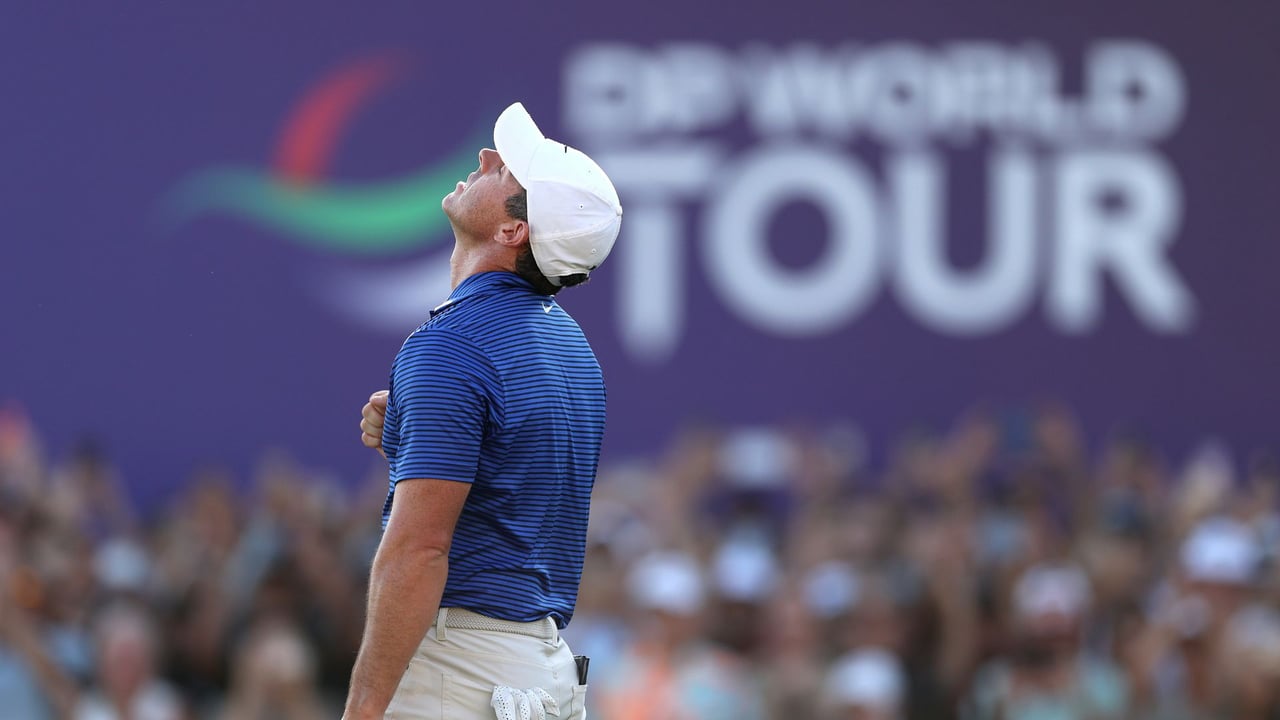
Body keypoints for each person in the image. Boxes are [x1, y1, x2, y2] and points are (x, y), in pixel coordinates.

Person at [343, 102, 622, 720]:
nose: (485, 158)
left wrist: (363, 709)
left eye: (506, 170)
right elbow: (510, 477)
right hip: (539, 675)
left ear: (512, 231)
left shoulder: (452, 344)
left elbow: (418, 552)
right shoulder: (574, 348)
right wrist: (415, 431)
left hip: (458, 679)